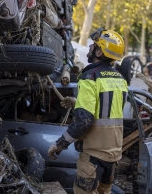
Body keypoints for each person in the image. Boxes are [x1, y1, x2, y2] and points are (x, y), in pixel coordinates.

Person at [48, 28, 128, 194]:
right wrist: (78, 103)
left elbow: (84, 122)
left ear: (99, 52)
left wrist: (59, 144)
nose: (90, 48)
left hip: (93, 157)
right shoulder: (120, 79)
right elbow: (107, 110)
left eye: (93, 45)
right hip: (112, 158)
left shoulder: (90, 77)